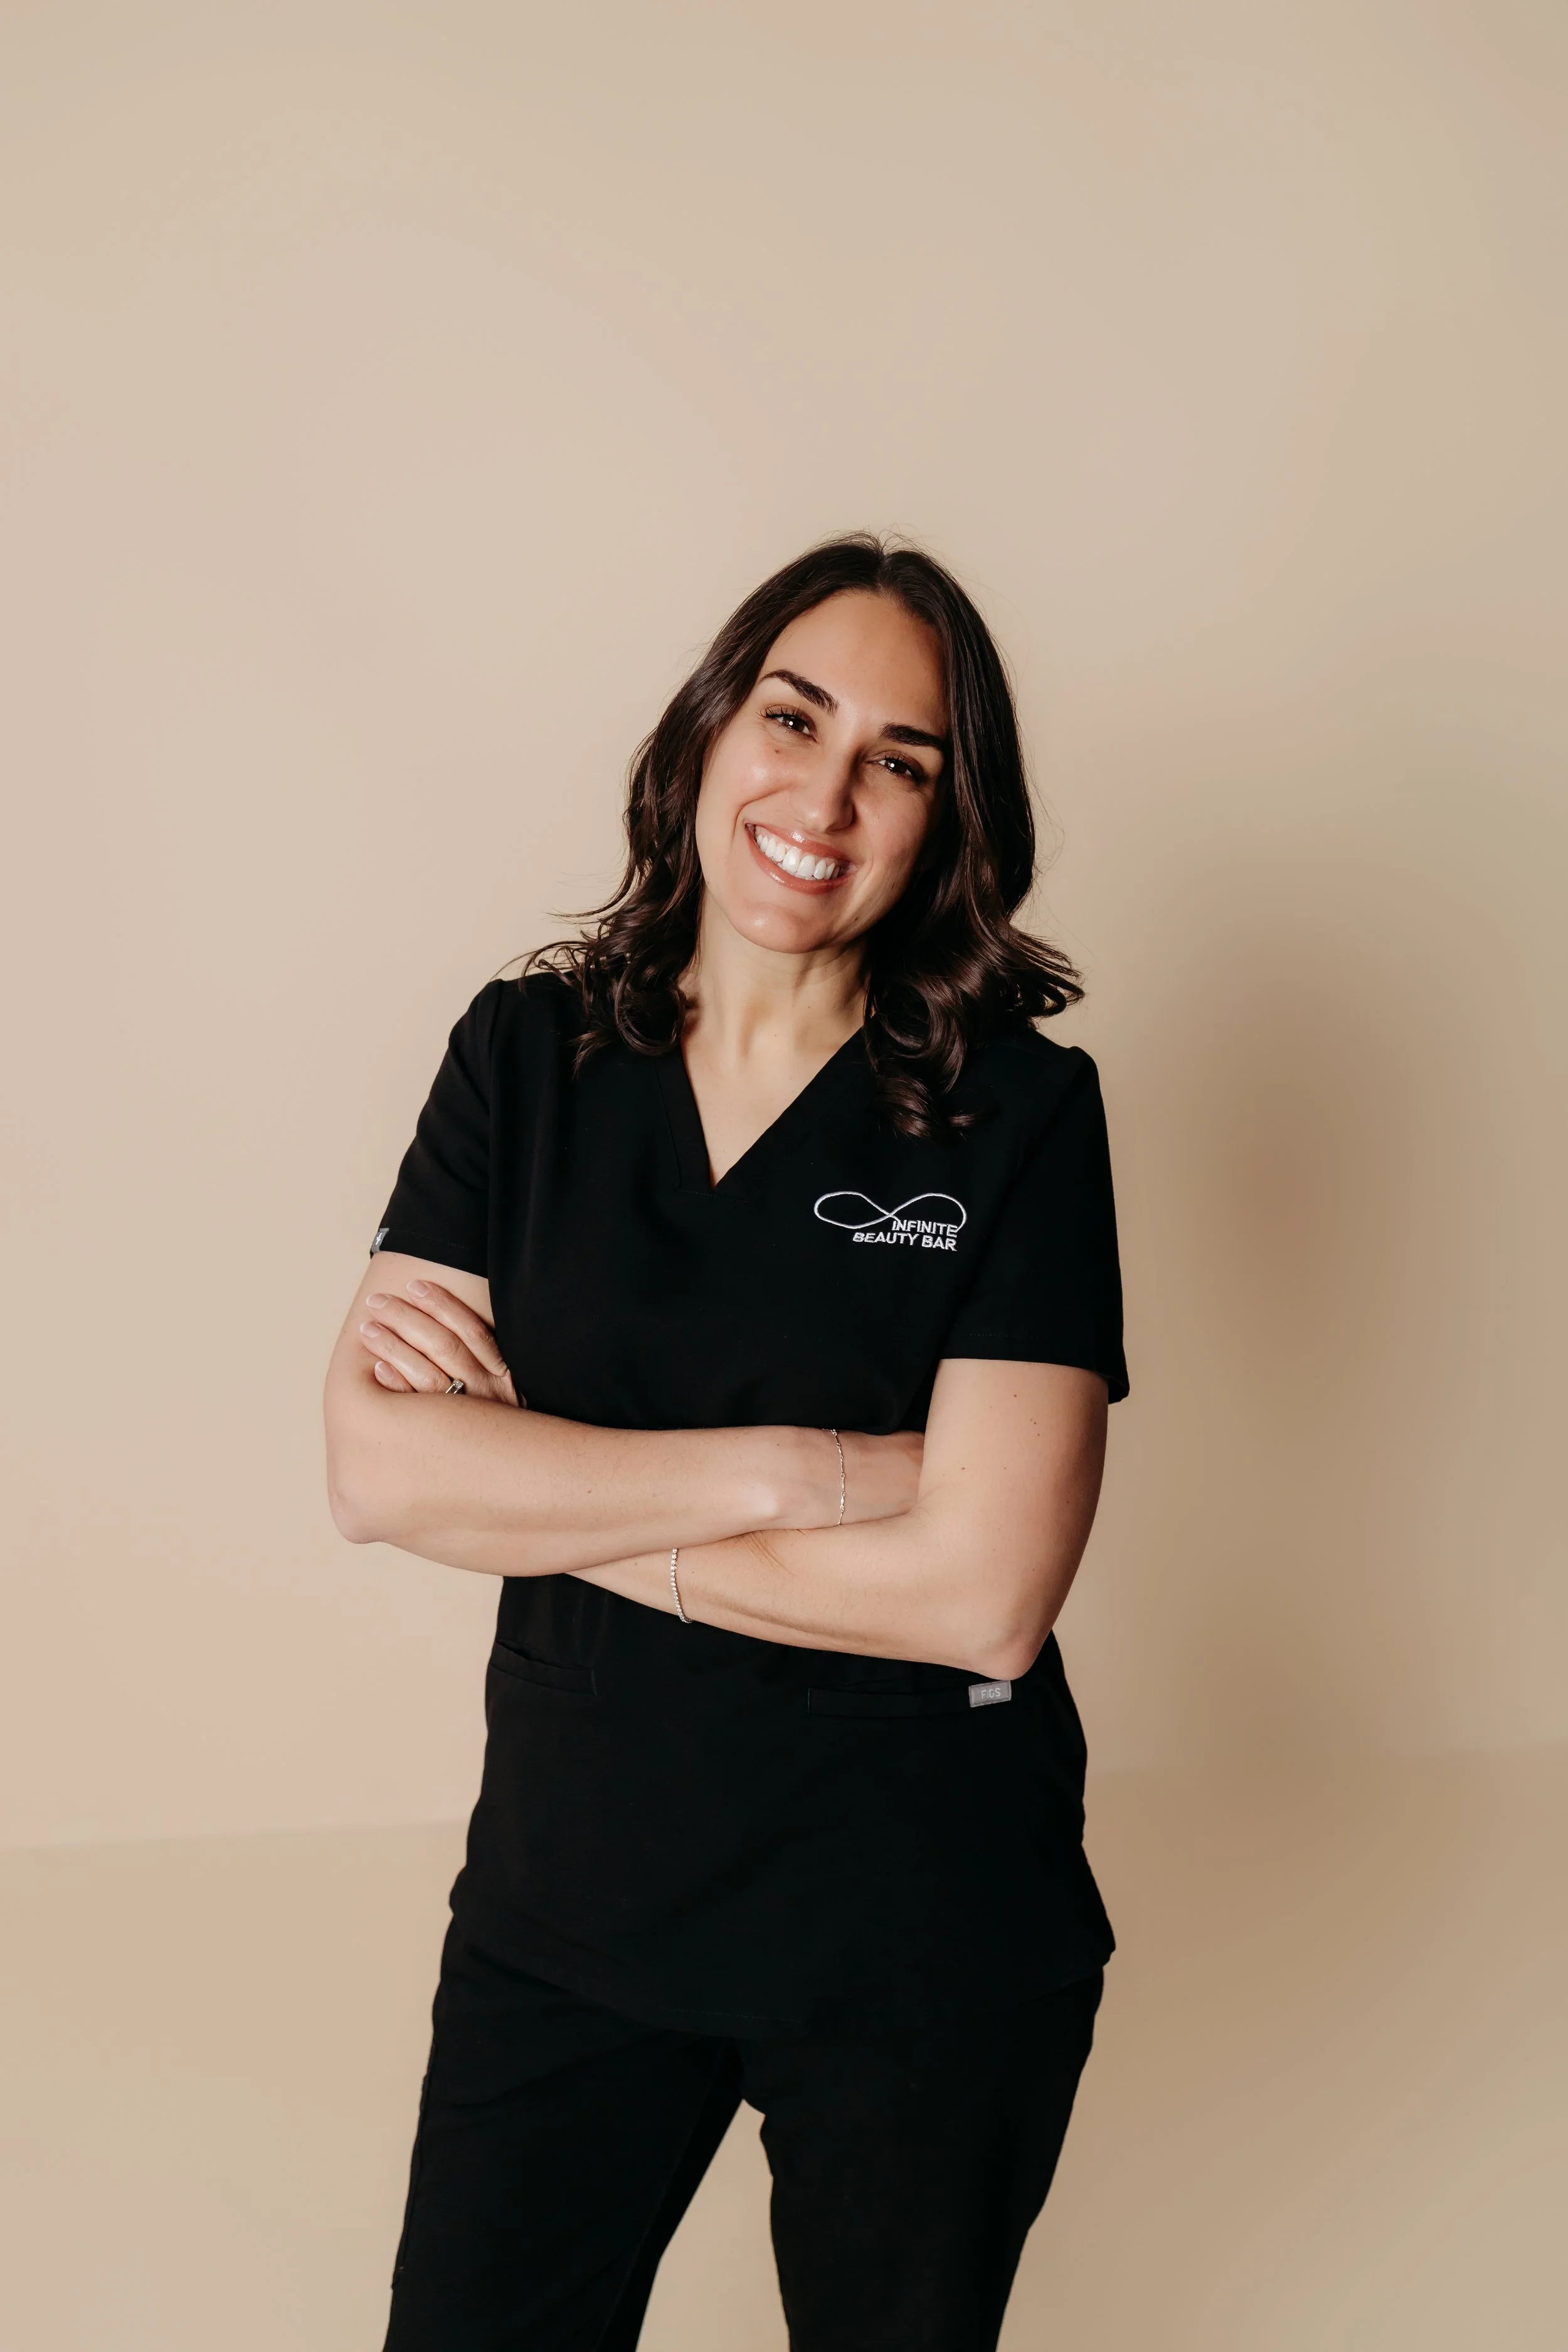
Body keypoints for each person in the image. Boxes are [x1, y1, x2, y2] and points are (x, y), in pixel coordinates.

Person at [323, 533, 1129, 2352]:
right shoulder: (522, 1058)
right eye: (791, 715)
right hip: (568, 1905)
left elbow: (985, 1595)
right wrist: (793, 1467)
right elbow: (378, 1469)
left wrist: (533, 1488)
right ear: (706, 734)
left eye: (899, 760)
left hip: (921, 1937)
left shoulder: (1019, 1111)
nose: (825, 794)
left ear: (947, 817)